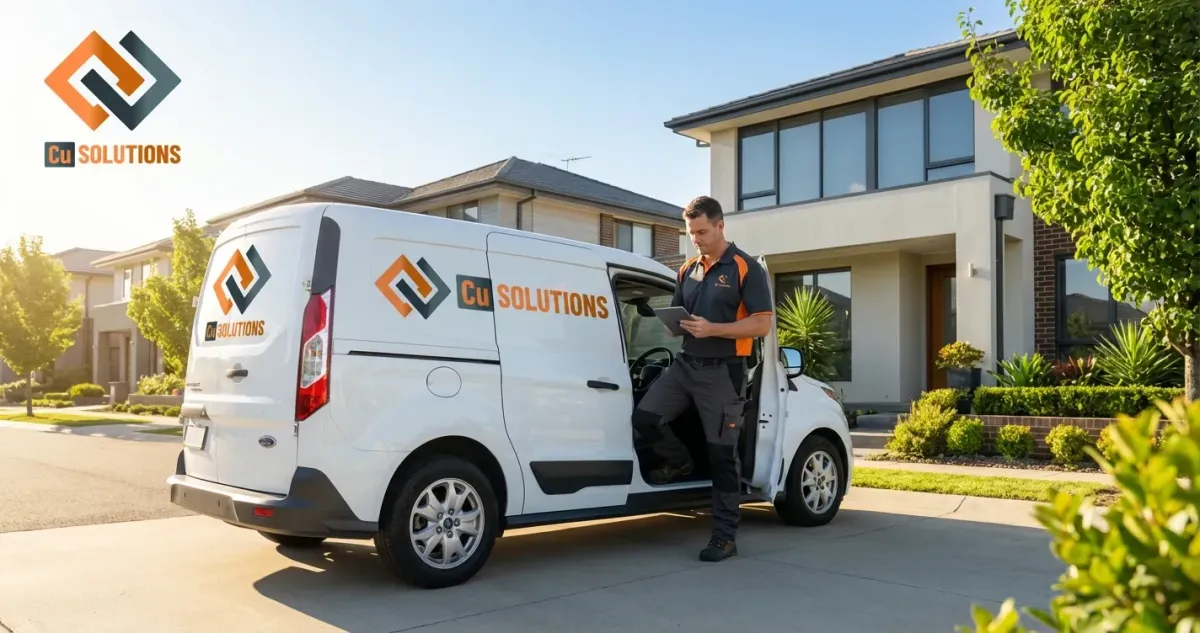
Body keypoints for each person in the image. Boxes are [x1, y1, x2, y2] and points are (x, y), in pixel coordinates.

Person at [631, 195, 774, 562]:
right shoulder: (687, 270)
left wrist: (714, 329)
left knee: (723, 456)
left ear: (720, 225)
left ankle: (724, 537)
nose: (695, 239)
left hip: (723, 372)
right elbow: (680, 320)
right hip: (686, 364)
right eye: (691, 233)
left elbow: (761, 324)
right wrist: (674, 326)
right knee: (645, 417)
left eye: (702, 232)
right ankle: (679, 461)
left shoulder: (744, 268)